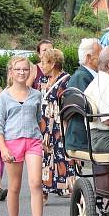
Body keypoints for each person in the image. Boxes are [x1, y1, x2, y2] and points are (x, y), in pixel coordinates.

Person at [0, 56, 54, 216]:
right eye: (18, 69)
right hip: (12, 143)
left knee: (36, 183)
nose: (22, 73)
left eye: (25, 69)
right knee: (14, 186)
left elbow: (38, 119)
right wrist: (3, 148)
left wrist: (42, 139)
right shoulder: (4, 96)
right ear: (11, 72)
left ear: (30, 72)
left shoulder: (36, 94)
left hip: (33, 142)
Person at [38, 47, 74, 200]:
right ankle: (44, 190)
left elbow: (67, 104)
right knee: (46, 157)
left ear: (52, 63)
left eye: (44, 62)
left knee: (64, 157)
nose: (41, 65)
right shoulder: (43, 80)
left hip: (60, 124)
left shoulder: (66, 80)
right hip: (45, 125)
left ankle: (70, 189)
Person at [65, 38, 101, 150]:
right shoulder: (81, 77)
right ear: (89, 58)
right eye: (100, 54)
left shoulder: (86, 75)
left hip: (87, 135)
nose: (103, 58)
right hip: (82, 137)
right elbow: (91, 108)